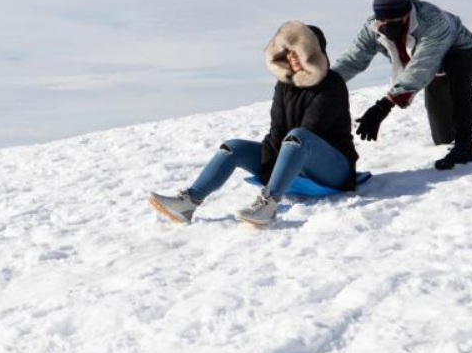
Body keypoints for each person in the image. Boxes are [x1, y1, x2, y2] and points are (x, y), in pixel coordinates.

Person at [149, 21, 359, 227]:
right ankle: (188, 202)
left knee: (298, 136)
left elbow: (312, 131)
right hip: (293, 153)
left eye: (300, 49)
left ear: (314, 52)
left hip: (333, 169)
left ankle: (268, 205)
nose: (293, 56)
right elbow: (276, 129)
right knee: (233, 147)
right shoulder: (284, 85)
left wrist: (275, 172)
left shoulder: (332, 85)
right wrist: (269, 166)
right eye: (290, 50)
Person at [332, 0, 472, 170]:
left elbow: (422, 66)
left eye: (393, 20)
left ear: (407, 14)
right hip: (435, 76)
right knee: (444, 138)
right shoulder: (373, 28)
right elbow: (353, 59)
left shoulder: (433, 20)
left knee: (454, 61)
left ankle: (465, 145)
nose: (387, 24)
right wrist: (320, 82)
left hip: (471, 59)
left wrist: (383, 106)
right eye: (383, 20)